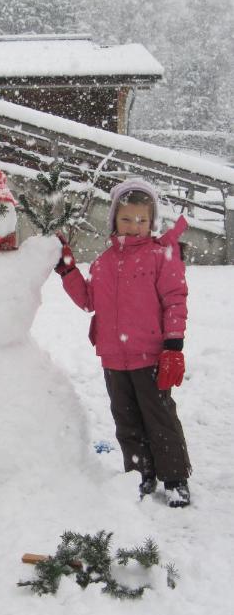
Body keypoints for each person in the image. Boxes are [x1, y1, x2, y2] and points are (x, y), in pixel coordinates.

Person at [54, 177, 192, 507]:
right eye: (126, 219)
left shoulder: (161, 256)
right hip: (113, 357)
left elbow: (175, 299)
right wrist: (67, 271)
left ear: (151, 221)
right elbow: (89, 300)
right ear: (114, 218)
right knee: (126, 419)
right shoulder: (103, 263)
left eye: (142, 220)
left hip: (151, 354)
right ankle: (139, 474)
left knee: (159, 418)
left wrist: (174, 345)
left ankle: (174, 479)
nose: (134, 226)